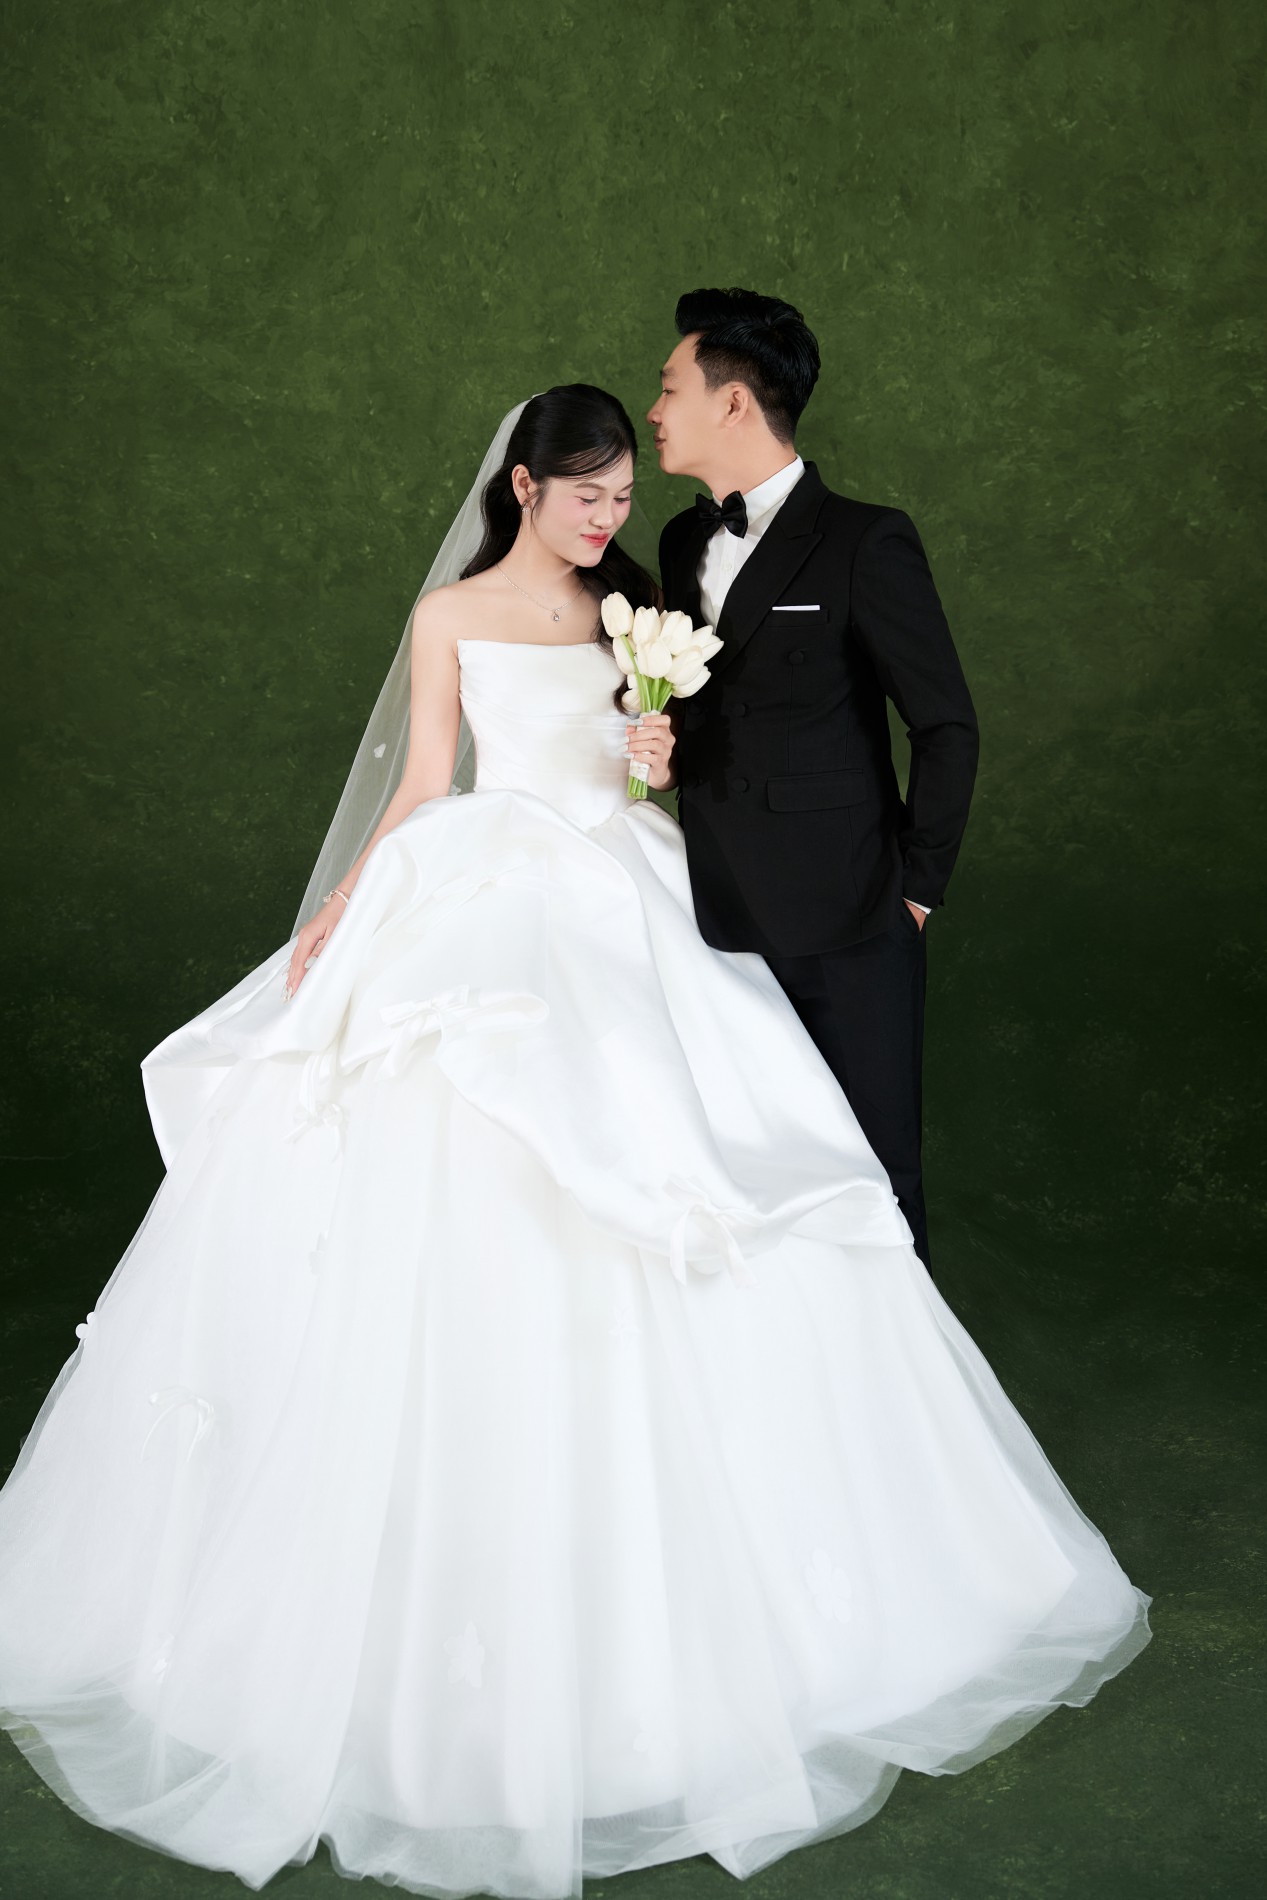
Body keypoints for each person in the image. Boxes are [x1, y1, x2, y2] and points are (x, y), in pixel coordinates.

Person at [0, 385, 1149, 1900]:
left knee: (709, 1143)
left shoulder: (639, 602)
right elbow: (426, 781)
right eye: (586, 494)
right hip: (490, 887)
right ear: (525, 487)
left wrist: (650, 755)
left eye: (621, 495)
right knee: (455, 1136)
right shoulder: (448, 615)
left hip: (627, 884)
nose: (609, 517)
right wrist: (340, 914)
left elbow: (648, 761)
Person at [652, 287, 979, 1269]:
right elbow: (706, 708)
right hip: (710, 915)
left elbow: (945, 726)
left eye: (669, 388)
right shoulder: (680, 541)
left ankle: (899, 1367)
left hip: (849, 914)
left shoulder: (865, 540)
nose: (654, 411)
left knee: (876, 1174)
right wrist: (662, 748)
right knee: (743, 1176)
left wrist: (915, 891)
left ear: (733, 403)